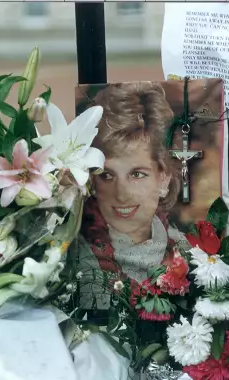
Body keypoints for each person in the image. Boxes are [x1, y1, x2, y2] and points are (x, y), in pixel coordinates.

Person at [76, 81, 189, 310]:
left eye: (137, 174)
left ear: (164, 178)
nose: (121, 194)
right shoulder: (75, 256)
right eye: (107, 175)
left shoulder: (187, 251)